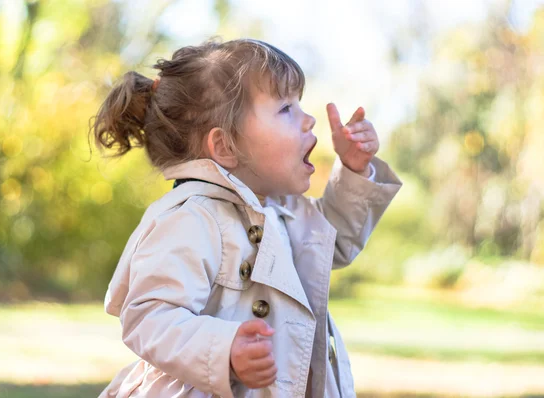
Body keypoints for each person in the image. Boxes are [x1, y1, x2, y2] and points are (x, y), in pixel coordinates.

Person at [91, 38, 402, 398]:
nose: (309, 119)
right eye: (286, 108)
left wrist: (352, 170)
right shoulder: (192, 218)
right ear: (225, 146)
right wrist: (223, 349)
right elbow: (150, 316)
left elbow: (336, 239)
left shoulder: (278, 210)